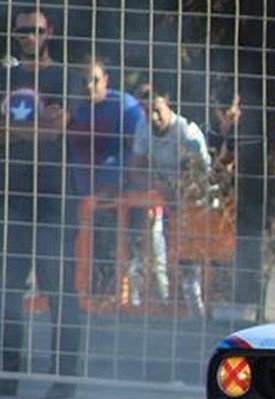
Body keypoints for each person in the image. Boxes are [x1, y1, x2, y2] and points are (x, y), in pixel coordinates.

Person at [0, 7, 78, 399]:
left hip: (54, 197)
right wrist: (35, 127)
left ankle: (65, 380)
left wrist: (14, 131)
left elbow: (56, 131)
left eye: (36, 30)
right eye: (22, 31)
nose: (29, 36)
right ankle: (7, 377)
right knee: (8, 289)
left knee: (59, 290)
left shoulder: (66, 77)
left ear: (50, 33)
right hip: (11, 195)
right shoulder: (5, 76)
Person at [68, 58, 149, 309]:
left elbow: (141, 150)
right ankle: (88, 302)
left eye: (94, 79)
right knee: (80, 254)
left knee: (118, 254)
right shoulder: (73, 108)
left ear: (106, 80)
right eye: (83, 81)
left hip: (118, 200)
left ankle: (123, 304)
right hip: (81, 197)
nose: (88, 86)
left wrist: (119, 181)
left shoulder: (125, 108)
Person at [133, 89, 213, 311]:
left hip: (194, 203)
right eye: (147, 111)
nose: (153, 117)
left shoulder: (187, 132)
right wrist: (158, 187)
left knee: (189, 257)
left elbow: (200, 178)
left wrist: (179, 193)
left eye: (157, 110)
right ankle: (164, 301)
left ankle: (195, 310)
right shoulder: (142, 128)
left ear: (167, 103)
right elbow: (135, 170)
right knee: (154, 242)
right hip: (164, 198)